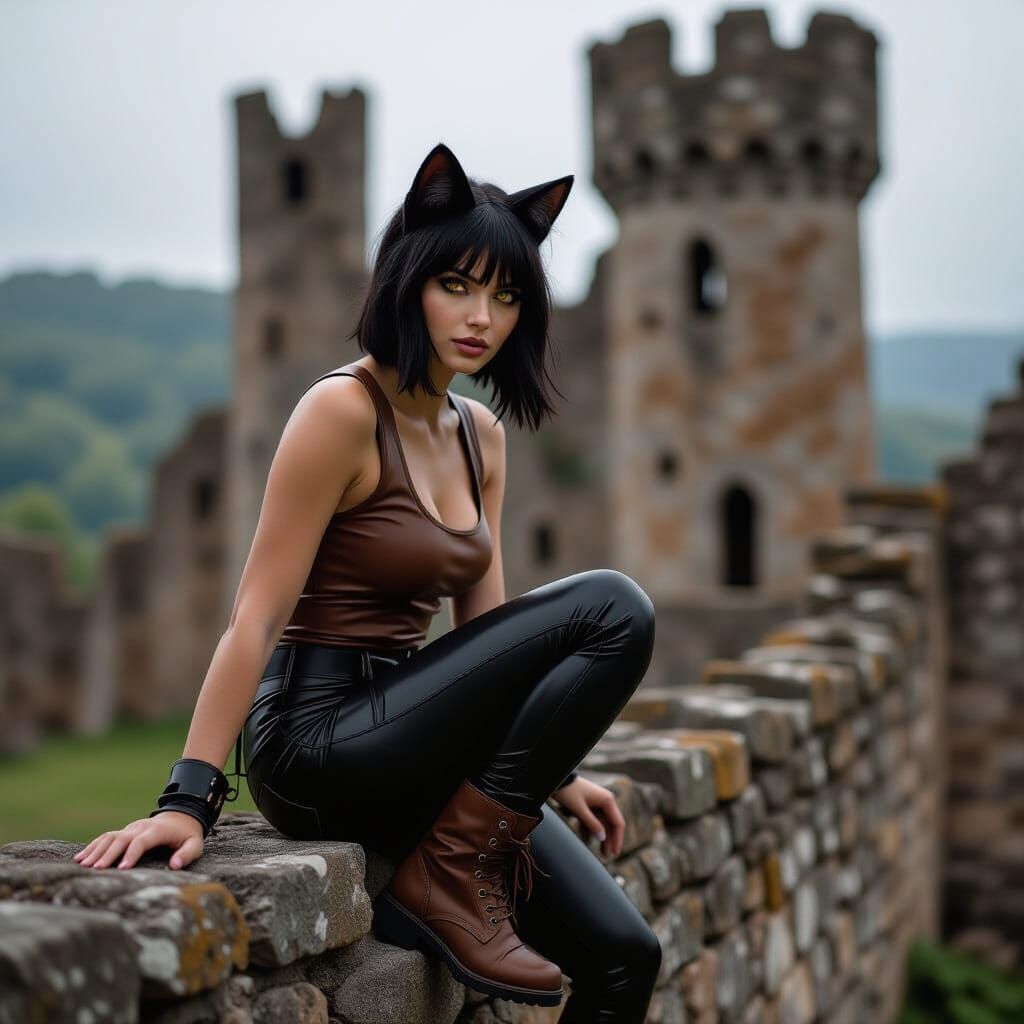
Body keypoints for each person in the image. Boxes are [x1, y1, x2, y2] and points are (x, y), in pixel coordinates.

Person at [71, 142, 662, 1021]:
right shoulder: (341, 412)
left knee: (626, 959)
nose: (482, 317)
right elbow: (254, 617)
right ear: (408, 278)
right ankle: (451, 878)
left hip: (417, 731)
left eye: (506, 295)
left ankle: (451, 872)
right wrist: (187, 800)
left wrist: (550, 765)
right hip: (316, 739)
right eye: (457, 285)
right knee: (616, 605)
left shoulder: (480, 437)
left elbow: (486, 635)